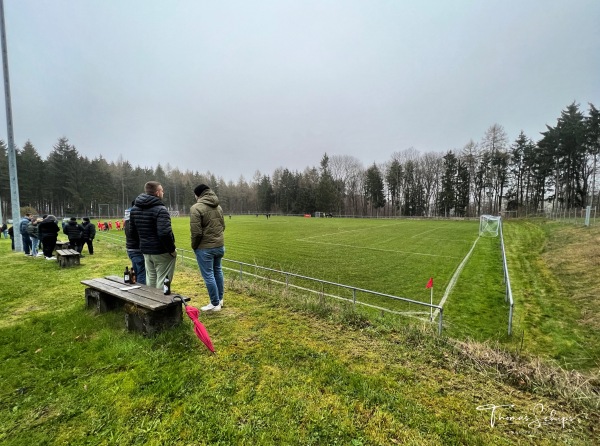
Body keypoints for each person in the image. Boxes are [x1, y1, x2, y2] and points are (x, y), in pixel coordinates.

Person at [128, 181, 176, 289]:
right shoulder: (161, 210)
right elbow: (164, 233)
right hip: (161, 251)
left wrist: (144, 243)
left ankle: (150, 304)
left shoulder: (134, 209)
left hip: (145, 251)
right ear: (158, 192)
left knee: (151, 279)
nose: (163, 193)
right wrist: (171, 249)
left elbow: (132, 233)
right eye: (162, 190)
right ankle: (160, 304)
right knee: (163, 279)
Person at [190, 184, 225, 312]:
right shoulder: (218, 207)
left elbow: (196, 232)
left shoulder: (196, 208)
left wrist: (195, 246)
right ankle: (220, 299)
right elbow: (223, 226)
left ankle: (215, 303)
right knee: (218, 271)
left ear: (198, 195)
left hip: (205, 248)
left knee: (209, 275)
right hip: (219, 246)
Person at [124, 202, 146, 285]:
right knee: (142, 273)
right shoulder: (136, 217)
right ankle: (142, 293)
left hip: (130, 248)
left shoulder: (127, 218)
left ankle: (136, 290)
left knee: (136, 272)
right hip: (137, 249)